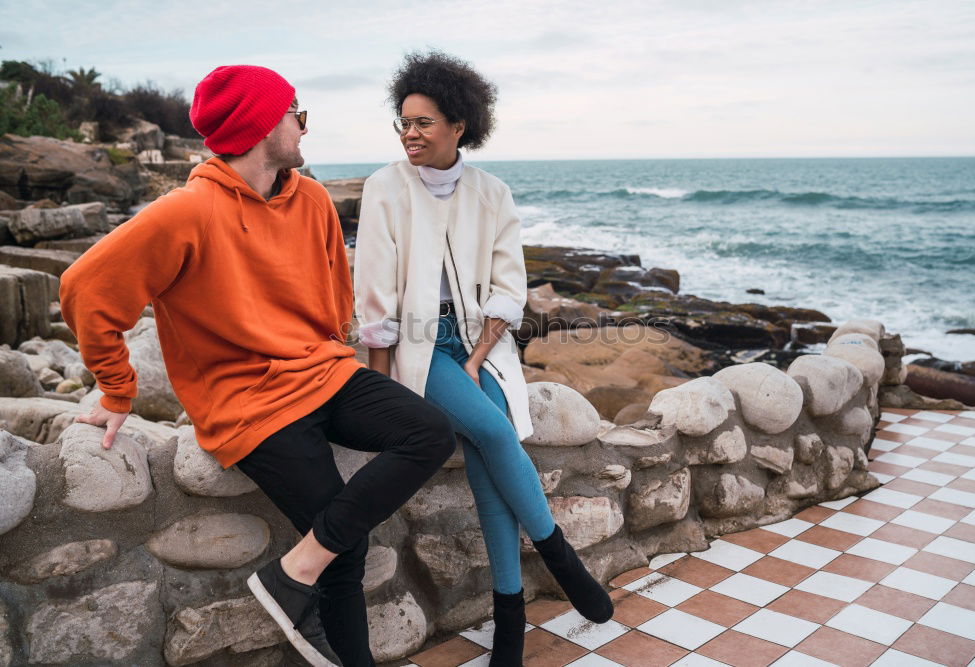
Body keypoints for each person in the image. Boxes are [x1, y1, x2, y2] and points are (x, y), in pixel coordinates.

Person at [59, 64, 456, 667]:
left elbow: (333, 298)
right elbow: (85, 288)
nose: (303, 126)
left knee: (429, 431)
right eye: (296, 112)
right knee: (344, 548)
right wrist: (118, 392)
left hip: (326, 373)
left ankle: (291, 572)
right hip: (249, 404)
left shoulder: (313, 198)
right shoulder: (185, 211)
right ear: (261, 123)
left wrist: (335, 348)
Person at [354, 51, 613, 666]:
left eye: (423, 122)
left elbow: (508, 287)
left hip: (480, 347)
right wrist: (379, 386)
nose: (410, 133)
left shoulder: (492, 194)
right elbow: (376, 300)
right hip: (419, 346)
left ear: (459, 126)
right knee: (497, 432)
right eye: (403, 122)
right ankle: (560, 557)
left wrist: (479, 356)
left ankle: (509, 623)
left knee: (487, 466)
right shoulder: (385, 187)